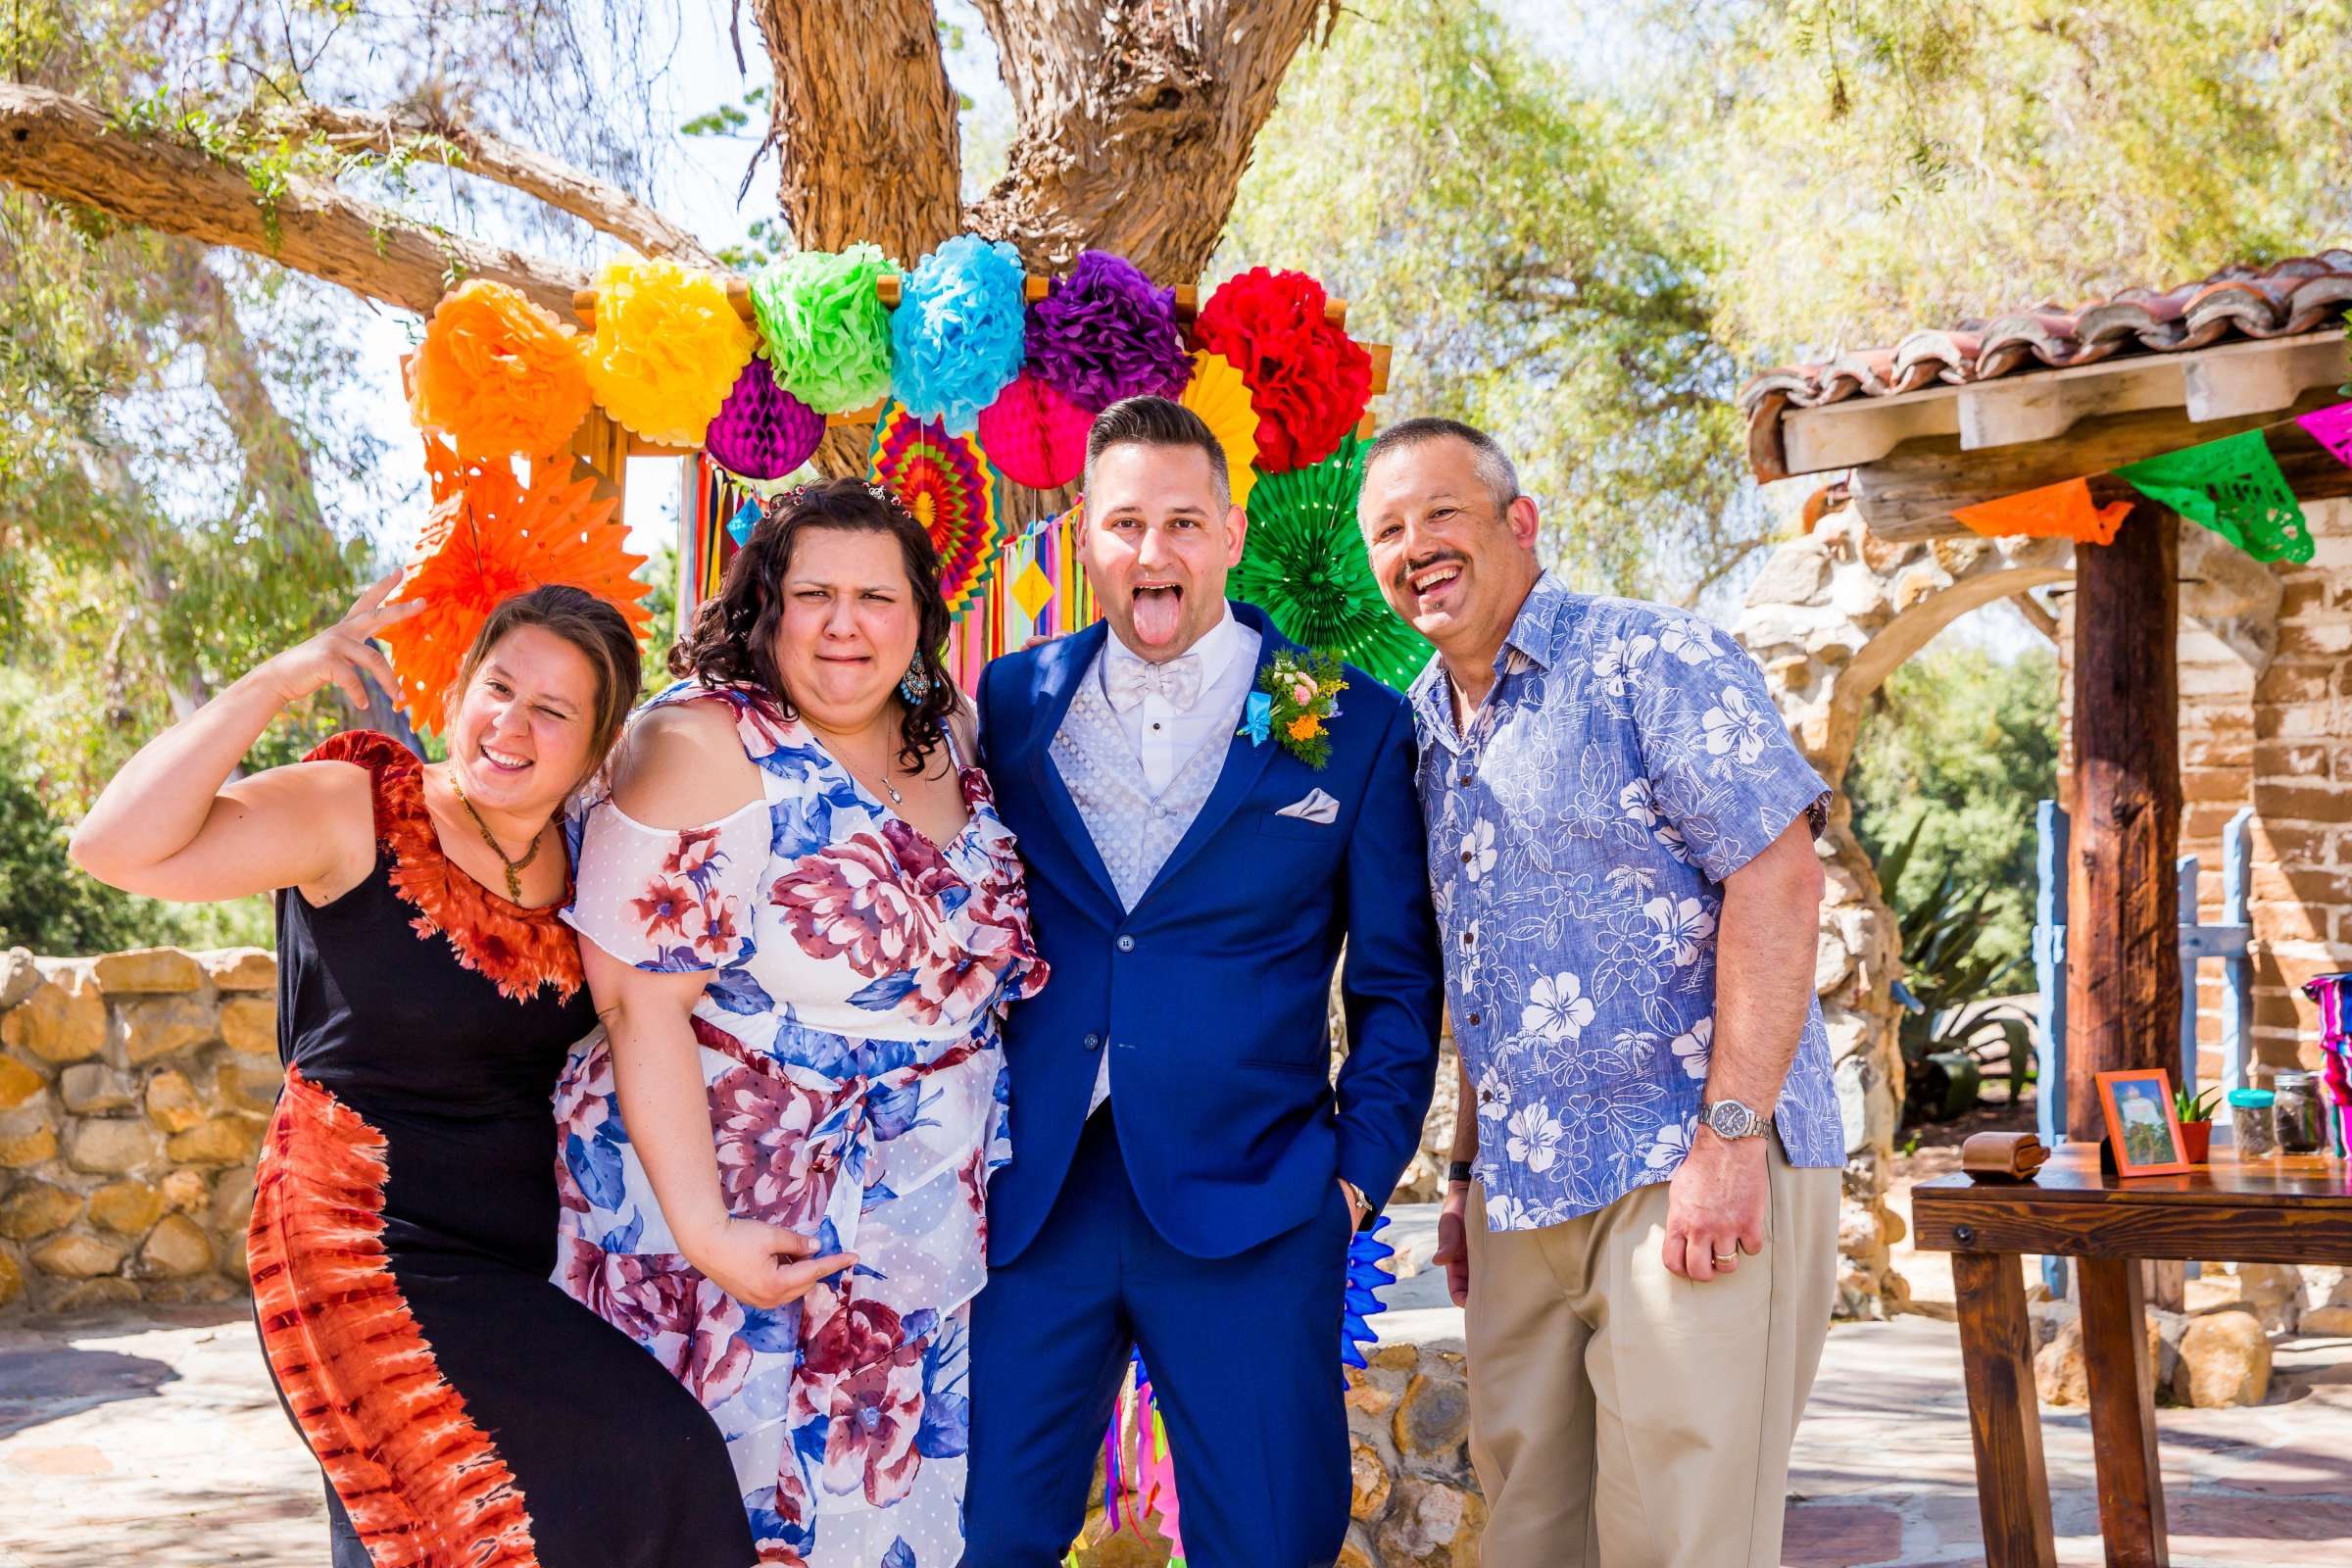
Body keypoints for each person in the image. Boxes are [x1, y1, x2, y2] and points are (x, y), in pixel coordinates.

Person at [69, 579, 755, 1568]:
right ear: (459, 690)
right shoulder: (357, 808)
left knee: (658, 1459)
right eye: (499, 687)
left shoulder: (588, 853)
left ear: (599, 749)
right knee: (482, 1520)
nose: (512, 724)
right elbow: (112, 844)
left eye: (553, 710)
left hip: (503, 1261)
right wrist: (279, 678)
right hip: (353, 1242)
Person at [960, 396, 1444, 1568]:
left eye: (1184, 522)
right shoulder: (1011, 705)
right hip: (1036, 1204)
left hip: (1259, 1206)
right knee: (988, 1533)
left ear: (1231, 533)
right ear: (1085, 534)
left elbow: (1395, 986)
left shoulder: (1345, 720)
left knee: (1271, 1539)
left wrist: (1353, 1185)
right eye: (1126, 523)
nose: (1154, 552)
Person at [1357, 416, 1840, 1568]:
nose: (1414, 545)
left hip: (1686, 1168)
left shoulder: (1651, 660)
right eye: (1388, 530)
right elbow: (1488, 964)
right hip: (1526, 1195)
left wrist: (1729, 1140)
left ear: (1519, 524)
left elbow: (1780, 881)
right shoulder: (1421, 729)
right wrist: (1465, 1173)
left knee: (1686, 1542)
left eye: (1441, 515)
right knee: (1526, 1538)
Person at [554, 478, 1047, 1568]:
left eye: (877, 595)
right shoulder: (697, 742)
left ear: (920, 613)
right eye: (812, 592)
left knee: (875, 1522)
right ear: (764, 606)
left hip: (914, 1223)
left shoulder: (952, 737)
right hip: (733, 1210)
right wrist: (706, 1234)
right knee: (725, 1517)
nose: (844, 623)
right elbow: (638, 1000)